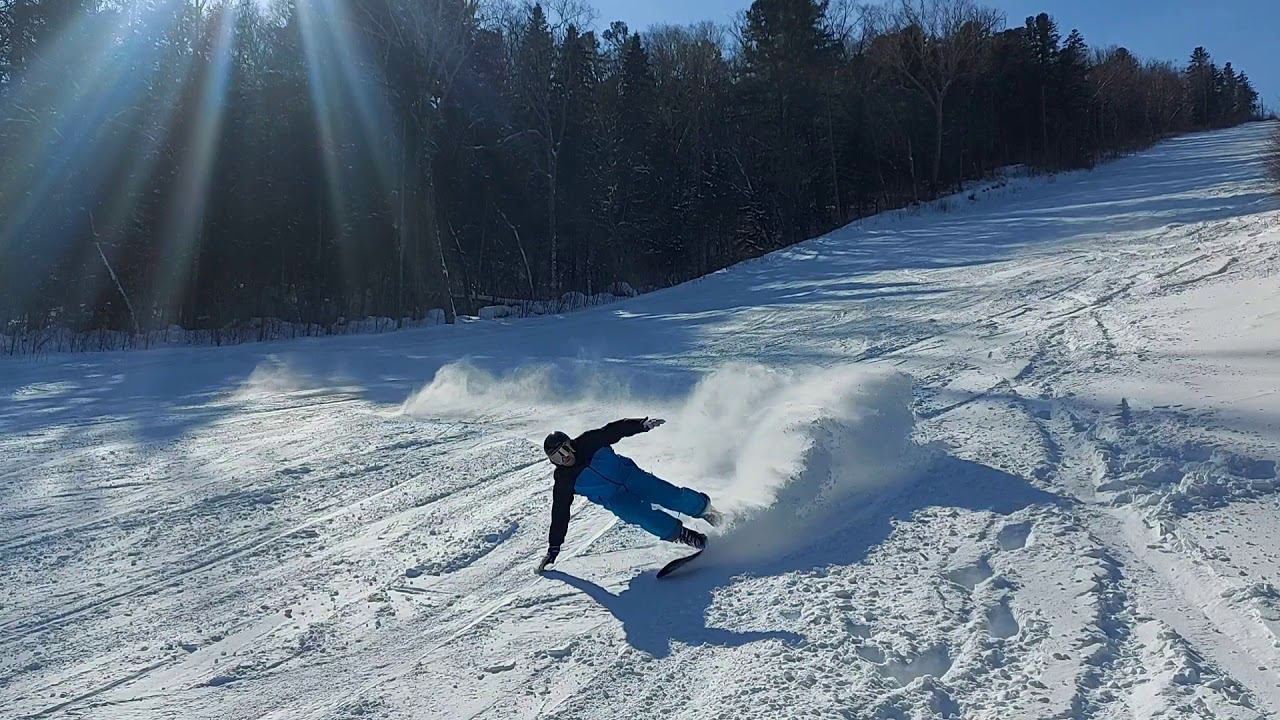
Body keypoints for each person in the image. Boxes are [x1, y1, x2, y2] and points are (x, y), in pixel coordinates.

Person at [536, 417, 723, 573]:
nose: (565, 457)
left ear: (571, 444)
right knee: (641, 516)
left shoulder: (588, 442)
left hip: (630, 476)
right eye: (557, 457)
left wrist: (640, 425)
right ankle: (686, 536)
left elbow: (613, 430)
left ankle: (707, 511)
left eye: (565, 450)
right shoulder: (564, 480)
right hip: (615, 499)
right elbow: (560, 513)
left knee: (670, 495)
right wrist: (554, 547)